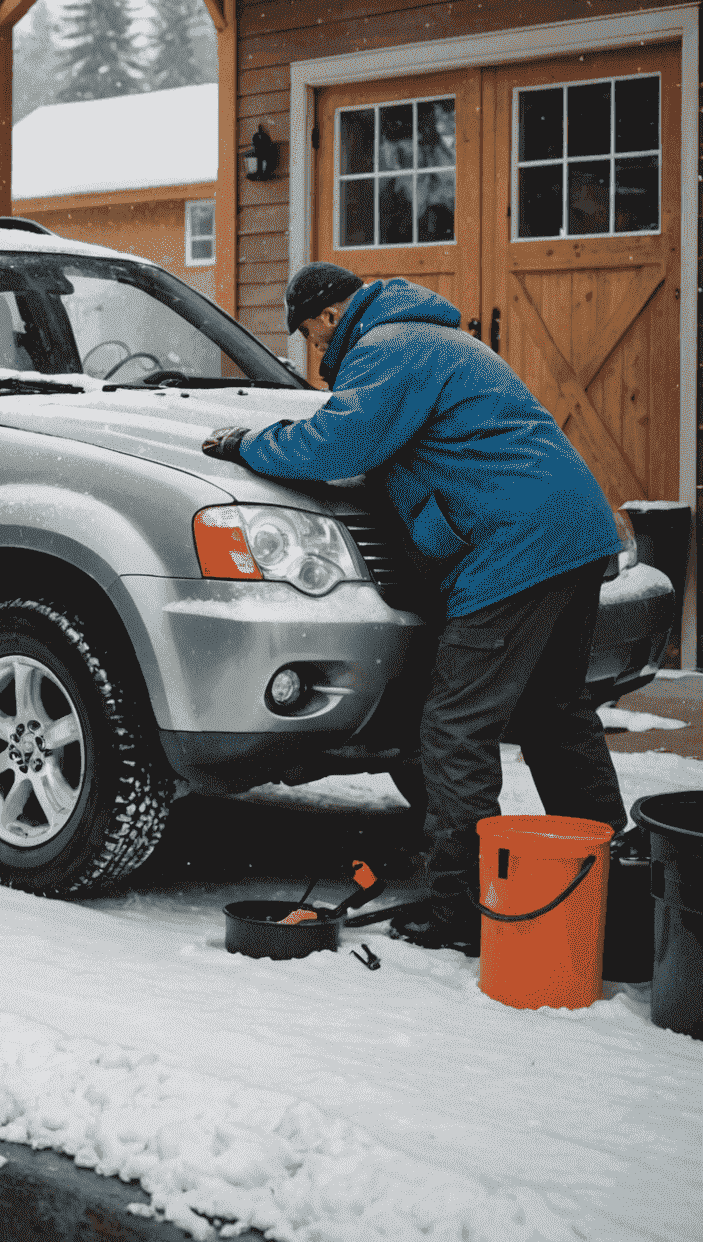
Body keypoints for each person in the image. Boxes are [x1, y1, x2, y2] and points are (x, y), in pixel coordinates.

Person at [201, 262, 630, 954]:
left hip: (517, 544)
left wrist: (247, 443)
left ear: (333, 316)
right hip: (571, 531)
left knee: (456, 728)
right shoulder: (434, 338)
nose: (317, 356)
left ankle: (457, 907)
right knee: (556, 713)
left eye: (312, 337)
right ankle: (619, 882)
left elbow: (337, 442)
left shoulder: (389, 347)